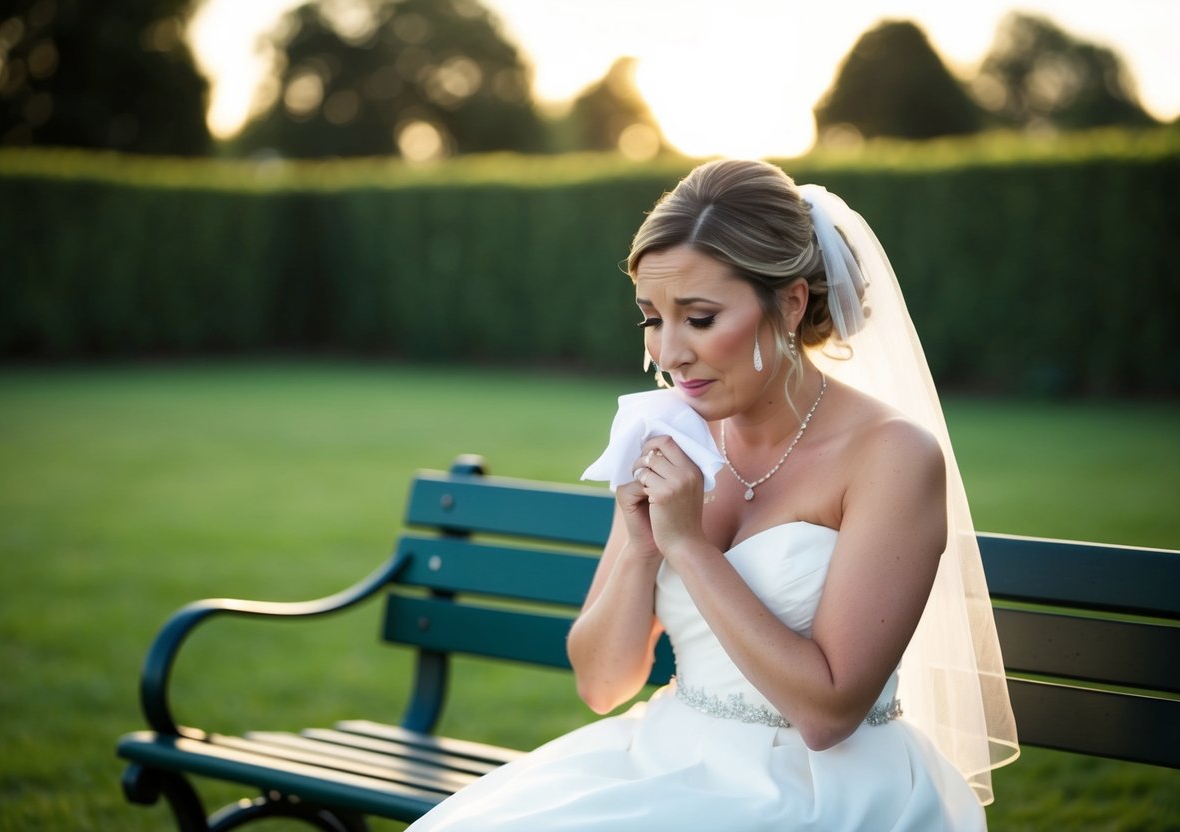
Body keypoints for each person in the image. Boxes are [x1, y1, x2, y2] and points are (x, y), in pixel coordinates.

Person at [407, 159, 1018, 831]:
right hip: (666, 754)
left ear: (787, 304)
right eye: (650, 318)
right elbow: (601, 685)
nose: (668, 353)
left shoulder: (891, 456)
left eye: (698, 318)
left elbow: (827, 714)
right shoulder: (663, 429)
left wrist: (688, 546)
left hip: (813, 788)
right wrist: (640, 546)